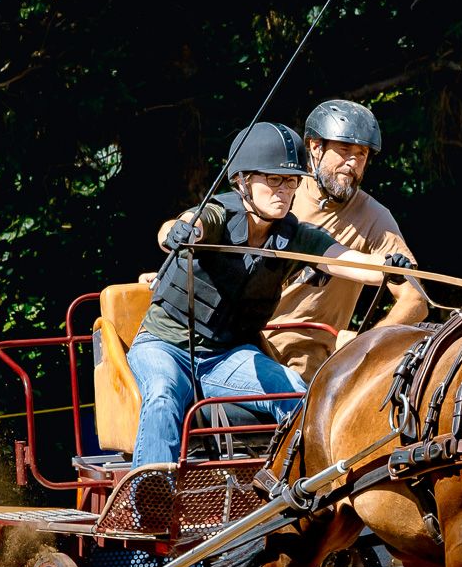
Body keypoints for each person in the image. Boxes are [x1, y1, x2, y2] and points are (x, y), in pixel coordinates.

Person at [127, 121, 414, 467]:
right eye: (273, 179)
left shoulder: (296, 236)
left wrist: (386, 266)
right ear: (243, 181)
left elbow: (347, 261)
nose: (284, 190)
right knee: (162, 394)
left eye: (291, 181)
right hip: (164, 345)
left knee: (294, 392)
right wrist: (178, 231)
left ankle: (299, 493)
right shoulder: (219, 213)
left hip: (225, 356)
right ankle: (149, 501)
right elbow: (184, 224)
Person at [263, 99, 428, 382]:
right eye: (344, 150)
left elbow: (416, 300)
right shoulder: (279, 193)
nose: (352, 162)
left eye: (361, 154)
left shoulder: (374, 216)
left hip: (312, 362)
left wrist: (366, 344)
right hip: (249, 345)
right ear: (315, 147)